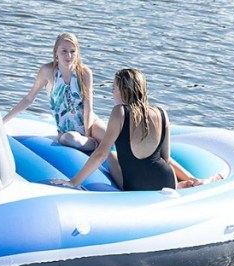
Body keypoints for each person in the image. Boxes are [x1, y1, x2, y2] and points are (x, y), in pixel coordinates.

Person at [51, 68, 221, 191]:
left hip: (136, 185)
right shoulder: (162, 113)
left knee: (111, 154)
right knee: (155, 163)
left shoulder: (120, 112)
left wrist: (73, 182)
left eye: (114, 89)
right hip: (165, 180)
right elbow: (166, 158)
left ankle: (187, 184)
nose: (112, 94)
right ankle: (191, 183)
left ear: (124, 91)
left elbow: (101, 153)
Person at [3, 33, 106, 152]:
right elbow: (29, 99)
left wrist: (87, 134)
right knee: (71, 138)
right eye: (64, 51)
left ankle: (94, 145)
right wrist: (2, 122)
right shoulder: (47, 72)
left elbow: (88, 106)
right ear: (56, 52)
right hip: (66, 131)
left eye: (72, 51)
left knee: (109, 139)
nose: (69, 56)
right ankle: (91, 145)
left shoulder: (84, 73)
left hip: (90, 124)